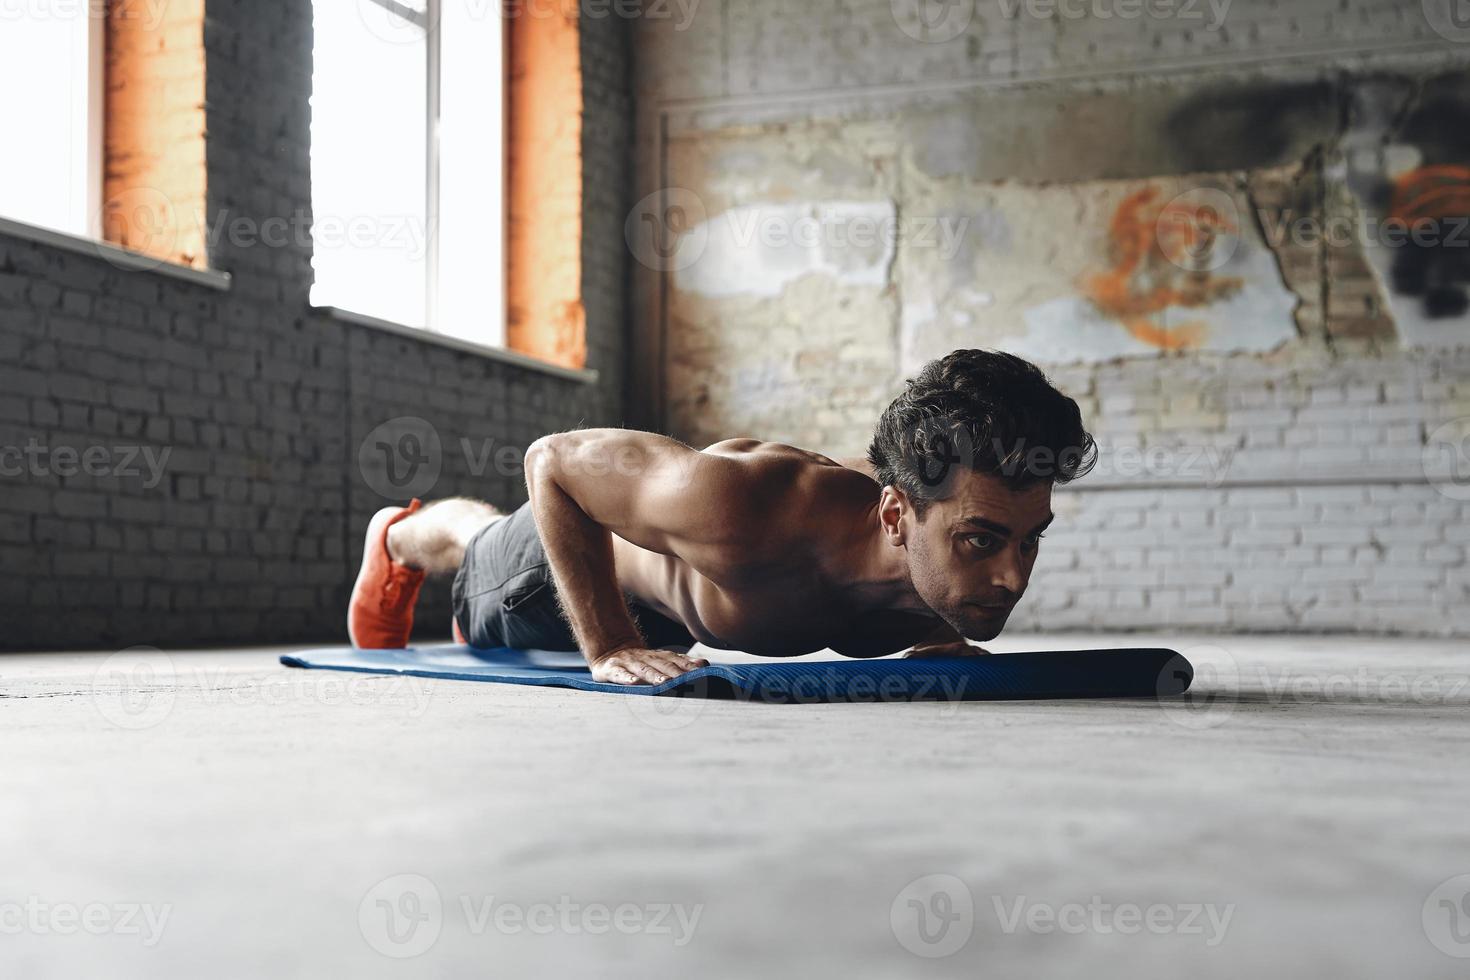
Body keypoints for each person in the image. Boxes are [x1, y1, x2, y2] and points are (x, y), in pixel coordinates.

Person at [347, 349, 1096, 686]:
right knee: (478, 541)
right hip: (554, 579)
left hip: (677, 622)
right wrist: (606, 646)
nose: (1011, 576)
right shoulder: (745, 508)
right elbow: (552, 460)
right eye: (982, 542)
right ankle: (396, 538)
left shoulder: (928, 542)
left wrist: (936, 635)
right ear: (897, 514)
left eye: (1031, 541)